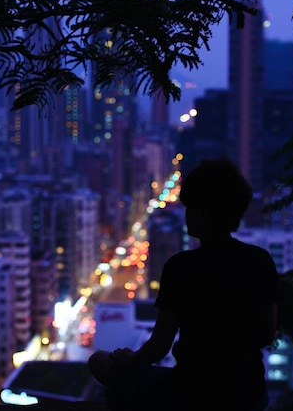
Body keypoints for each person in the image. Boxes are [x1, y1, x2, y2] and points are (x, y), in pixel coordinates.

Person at [87, 157, 279, 410]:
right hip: (250, 394)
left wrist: (129, 360)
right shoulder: (261, 260)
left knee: (100, 361)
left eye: (190, 207)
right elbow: (267, 334)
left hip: (191, 393)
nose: (186, 214)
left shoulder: (182, 266)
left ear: (202, 213)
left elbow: (159, 345)